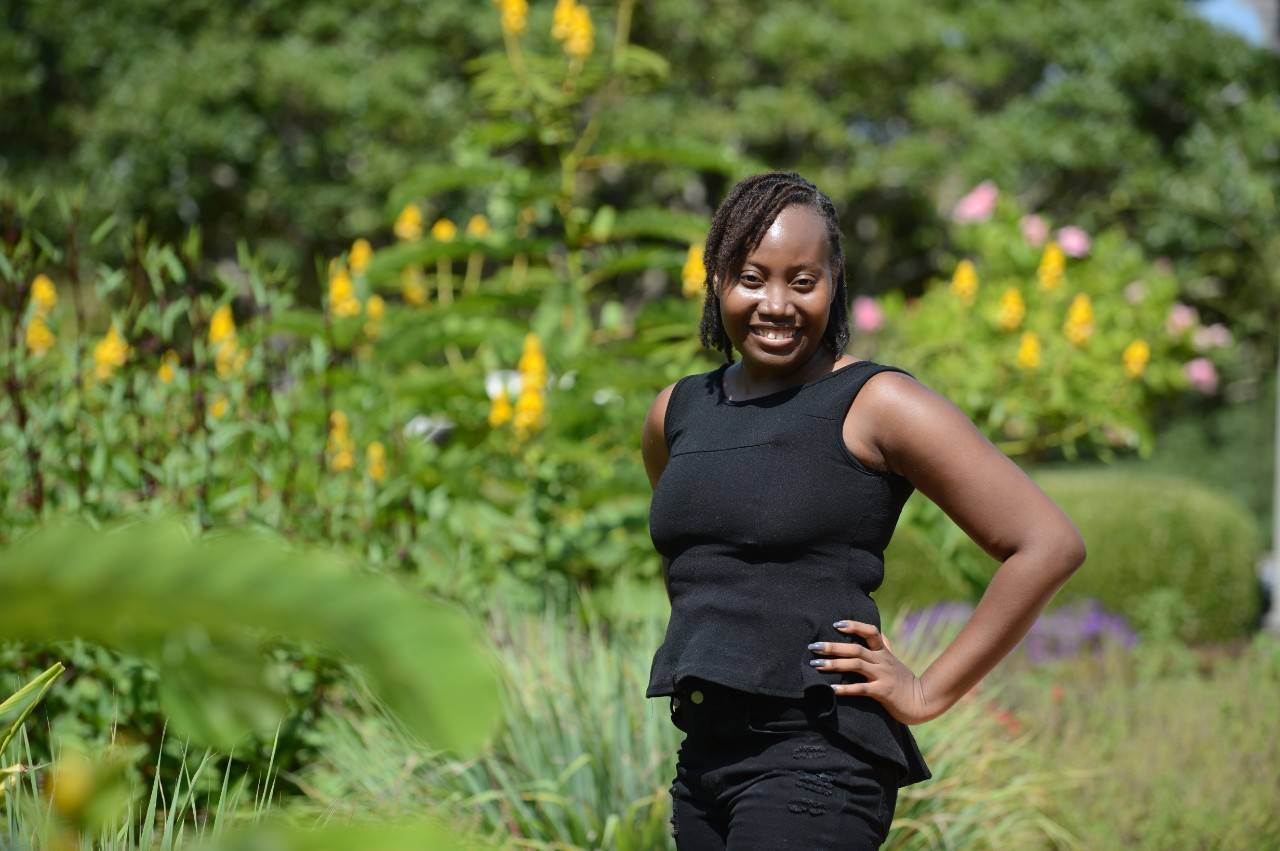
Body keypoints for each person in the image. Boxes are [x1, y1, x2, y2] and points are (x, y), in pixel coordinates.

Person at [640, 171, 1087, 849]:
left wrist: (926, 692)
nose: (776, 304)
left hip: (817, 757)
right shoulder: (677, 411)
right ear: (717, 280)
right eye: (752, 278)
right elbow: (695, 559)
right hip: (703, 760)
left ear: (835, 283)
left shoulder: (875, 404)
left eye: (803, 281)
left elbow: (1047, 543)